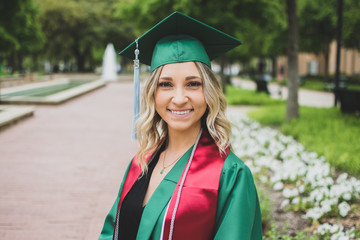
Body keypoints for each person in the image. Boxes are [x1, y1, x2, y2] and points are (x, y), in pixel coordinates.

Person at [98, 12, 262, 240]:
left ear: (209, 92)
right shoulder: (141, 161)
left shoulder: (230, 175)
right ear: (153, 94)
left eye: (193, 84)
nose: (179, 98)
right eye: (166, 84)